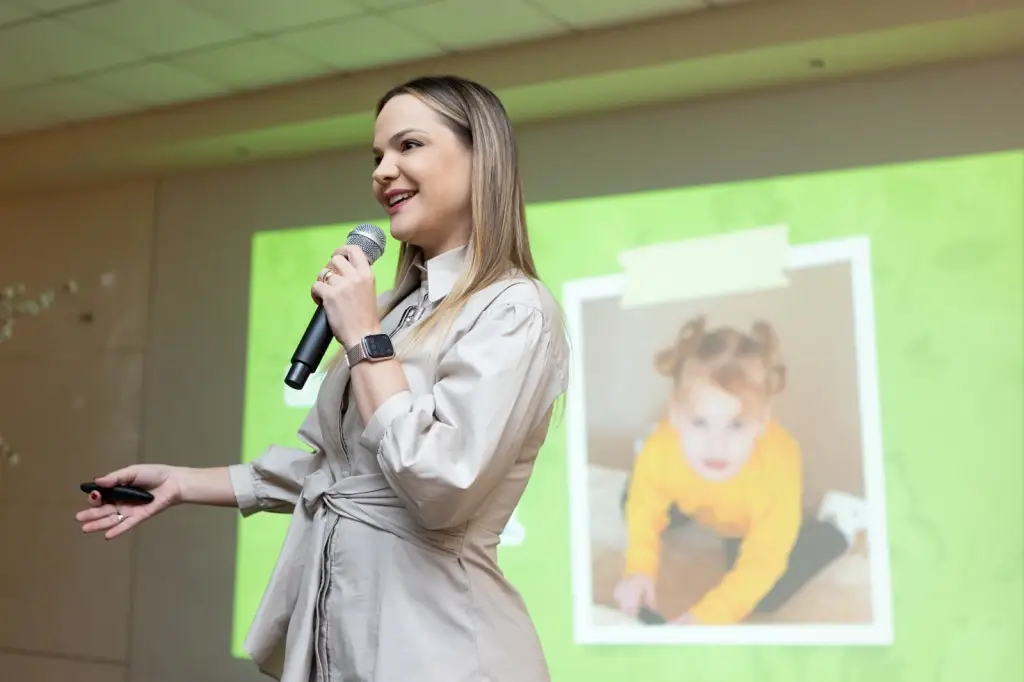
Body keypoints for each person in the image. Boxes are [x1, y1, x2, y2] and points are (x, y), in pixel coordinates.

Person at [77, 75, 569, 682]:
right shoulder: (395, 311)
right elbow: (343, 477)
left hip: (443, 654)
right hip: (347, 653)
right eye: (377, 156)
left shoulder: (513, 309)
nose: (383, 171)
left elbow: (440, 483)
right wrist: (181, 483)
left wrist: (363, 339)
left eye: (409, 145)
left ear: (481, 158)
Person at [613, 315, 848, 625]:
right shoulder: (662, 447)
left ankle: (835, 530)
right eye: (700, 422)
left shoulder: (777, 469)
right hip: (691, 495)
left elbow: (764, 559)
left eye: (736, 425)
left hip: (743, 523)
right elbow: (644, 505)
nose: (716, 445)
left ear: (762, 422)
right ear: (675, 414)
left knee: (767, 592)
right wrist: (639, 568)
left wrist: (709, 616)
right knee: (633, 500)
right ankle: (687, 500)